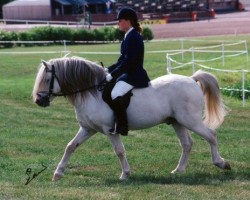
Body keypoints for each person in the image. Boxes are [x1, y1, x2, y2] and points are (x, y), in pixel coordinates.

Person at [105, 7, 150, 136]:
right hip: (129, 73)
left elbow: (128, 62)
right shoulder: (128, 36)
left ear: (127, 21)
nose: (117, 23)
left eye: (119, 20)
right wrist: (107, 70)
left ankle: (122, 126)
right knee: (109, 87)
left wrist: (112, 75)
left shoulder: (133, 37)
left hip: (135, 75)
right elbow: (121, 60)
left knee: (116, 93)